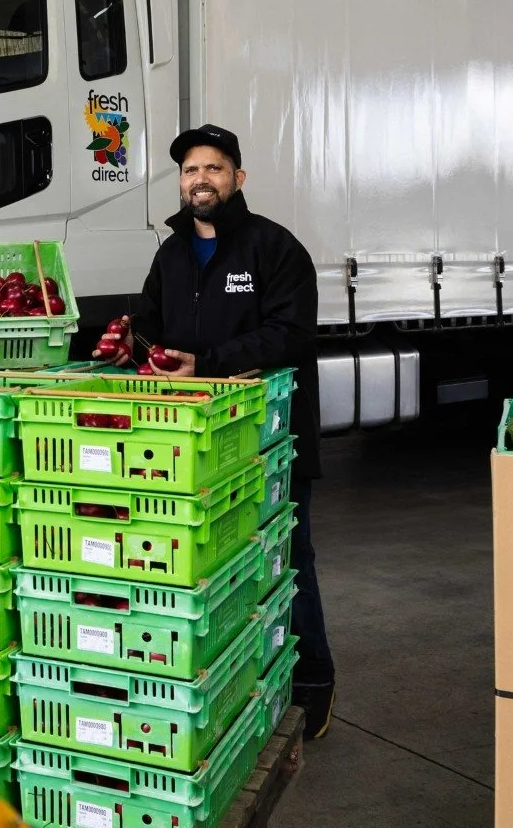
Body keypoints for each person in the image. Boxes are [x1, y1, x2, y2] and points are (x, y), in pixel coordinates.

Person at [98, 123, 336, 740]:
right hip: (189, 448)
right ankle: (237, 684)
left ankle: (314, 684)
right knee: (212, 570)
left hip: (267, 439)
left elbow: (291, 335)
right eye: (189, 170)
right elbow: (151, 327)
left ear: (238, 177)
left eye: (214, 168)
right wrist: (127, 342)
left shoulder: (274, 248)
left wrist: (207, 364)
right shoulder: (171, 254)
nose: (200, 180)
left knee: (287, 559)